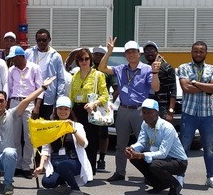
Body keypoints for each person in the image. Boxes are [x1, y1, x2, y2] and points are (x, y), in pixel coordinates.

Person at [98, 37, 160, 182]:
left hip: (140, 111)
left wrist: (155, 73)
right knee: (121, 144)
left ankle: (148, 174)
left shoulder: (146, 69)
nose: (131, 54)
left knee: (144, 143)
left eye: (134, 52)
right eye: (128, 52)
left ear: (139, 53)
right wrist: (109, 52)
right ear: (125, 55)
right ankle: (120, 172)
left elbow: (156, 88)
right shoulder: (121, 69)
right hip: (124, 110)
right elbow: (102, 68)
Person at [177, 41, 213, 190]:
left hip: (207, 115)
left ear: (206, 53)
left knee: (209, 147)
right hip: (189, 114)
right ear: (191, 52)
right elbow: (185, 88)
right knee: (184, 147)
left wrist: (195, 83)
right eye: (195, 51)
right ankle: (180, 176)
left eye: (201, 51)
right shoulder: (184, 67)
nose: (198, 54)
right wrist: (205, 86)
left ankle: (211, 177)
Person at [125, 99, 188, 195]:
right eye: (144, 113)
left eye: (150, 112)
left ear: (157, 113)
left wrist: (141, 155)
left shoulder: (167, 127)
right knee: (134, 158)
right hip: (162, 159)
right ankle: (159, 184)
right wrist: (131, 149)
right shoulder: (145, 125)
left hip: (178, 162)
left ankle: (175, 185)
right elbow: (141, 142)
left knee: (155, 165)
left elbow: (163, 153)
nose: (146, 116)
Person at [33, 96, 92, 195]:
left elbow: (84, 144)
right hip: (56, 162)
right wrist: (41, 166)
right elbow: (46, 149)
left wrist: (73, 131)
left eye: (66, 109)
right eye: (60, 108)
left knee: (64, 165)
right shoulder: (51, 126)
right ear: (56, 110)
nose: (63, 111)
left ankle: (76, 190)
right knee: (47, 182)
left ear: (70, 110)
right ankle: (63, 183)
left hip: (73, 162)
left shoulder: (77, 125)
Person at [69, 47, 109, 175]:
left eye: (86, 58)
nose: (84, 61)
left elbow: (105, 95)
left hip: (91, 110)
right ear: (77, 61)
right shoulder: (74, 75)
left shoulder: (98, 75)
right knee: (77, 140)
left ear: (90, 59)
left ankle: (90, 169)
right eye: (81, 59)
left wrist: (93, 103)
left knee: (91, 141)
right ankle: (79, 168)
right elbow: (72, 96)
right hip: (77, 110)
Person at [5, 45, 43, 178]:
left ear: (20, 57)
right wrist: (8, 107)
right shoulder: (11, 70)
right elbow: (9, 89)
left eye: (14, 58)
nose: (12, 61)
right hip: (14, 103)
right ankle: (17, 165)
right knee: (14, 136)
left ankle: (27, 166)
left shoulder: (34, 68)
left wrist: (37, 106)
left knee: (28, 137)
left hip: (29, 102)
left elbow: (40, 88)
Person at [24, 29, 66, 119]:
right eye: (39, 40)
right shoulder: (28, 53)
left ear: (49, 39)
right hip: (31, 95)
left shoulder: (56, 56)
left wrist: (59, 99)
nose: (41, 42)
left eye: (44, 40)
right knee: (30, 125)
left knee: (45, 125)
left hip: (48, 96)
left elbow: (61, 79)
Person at [92, 45, 119, 171]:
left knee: (103, 133)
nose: (97, 57)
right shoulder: (88, 68)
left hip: (103, 105)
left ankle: (101, 159)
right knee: (90, 132)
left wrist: (109, 101)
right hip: (89, 105)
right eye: (95, 54)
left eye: (100, 55)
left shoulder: (107, 71)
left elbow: (117, 89)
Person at [143, 41, 176, 120]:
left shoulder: (167, 67)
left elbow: (173, 90)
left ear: (157, 52)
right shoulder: (143, 68)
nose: (149, 53)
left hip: (163, 108)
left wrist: (170, 111)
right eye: (147, 51)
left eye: (152, 50)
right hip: (147, 107)